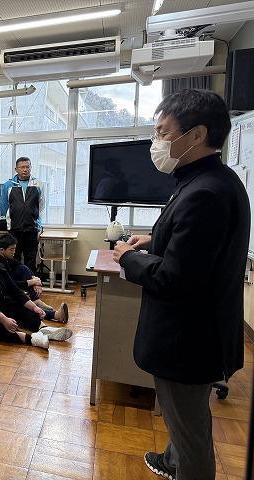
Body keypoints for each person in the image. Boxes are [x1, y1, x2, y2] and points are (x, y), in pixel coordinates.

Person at [112, 89, 249, 480]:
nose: (156, 142)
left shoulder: (204, 193)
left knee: (191, 433)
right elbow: (193, 245)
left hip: (186, 342)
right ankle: (173, 462)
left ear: (196, 135)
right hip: (200, 334)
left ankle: (185, 467)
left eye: (163, 132)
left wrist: (127, 257)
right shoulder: (210, 180)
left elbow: (176, 277)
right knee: (186, 420)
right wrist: (152, 239)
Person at [0, 243, 72, 350]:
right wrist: (4, 320)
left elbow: (15, 290)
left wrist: (35, 307)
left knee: (19, 304)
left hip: (0, 305)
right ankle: (32, 339)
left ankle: (43, 328)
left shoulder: (0, 269)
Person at [0, 234, 68, 323]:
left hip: (10, 291)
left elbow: (21, 266)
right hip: (5, 298)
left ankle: (36, 300)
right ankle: (55, 315)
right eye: (11, 250)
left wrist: (35, 280)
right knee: (20, 305)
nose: (14, 252)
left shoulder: (6, 258)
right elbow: (12, 285)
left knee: (22, 268)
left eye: (14, 249)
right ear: (2, 250)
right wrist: (32, 282)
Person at [0, 157, 44, 273]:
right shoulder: (8, 185)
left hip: (32, 228)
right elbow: (4, 206)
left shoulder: (38, 184)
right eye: (22, 167)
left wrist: (38, 225)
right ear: (16, 169)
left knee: (31, 258)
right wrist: (9, 222)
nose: (25, 169)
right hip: (15, 229)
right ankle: (16, 282)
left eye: (27, 167)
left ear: (31, 168)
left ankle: (31, 281)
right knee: (14, 257)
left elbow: (41, 205)